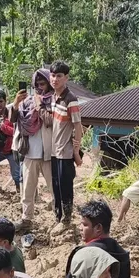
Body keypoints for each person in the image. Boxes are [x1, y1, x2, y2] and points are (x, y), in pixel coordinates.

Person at [12, 69, 54, 221]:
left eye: (42, 83)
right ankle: (26, 219)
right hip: (30, 153)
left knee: (54, 189)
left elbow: (50, 121)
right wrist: (16, 103)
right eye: (36, 84)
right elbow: (13, 119)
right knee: (27, 192)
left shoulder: (53, 100)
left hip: (48, 154)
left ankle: (59, 218)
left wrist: (39, 105)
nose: (39, 87)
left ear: (49, 84)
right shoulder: (27, 101)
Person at [65, 200, 132, 278]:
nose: (80, 228)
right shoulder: (122, 253)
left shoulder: (83, 255)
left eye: (85, 225)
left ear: (98, 228)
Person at [49, 61, 84, 222]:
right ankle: (58, 217)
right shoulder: (53, 97)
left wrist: (76, 150)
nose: (55, 79)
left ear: (66, 78)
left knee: (65, 187)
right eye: (53, 75)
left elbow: (78, 127)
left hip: (65, 151)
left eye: (59, 76)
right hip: (54, 150)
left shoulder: (71, 99)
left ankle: (67, 219)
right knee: (55, 186)